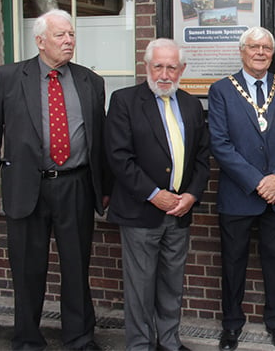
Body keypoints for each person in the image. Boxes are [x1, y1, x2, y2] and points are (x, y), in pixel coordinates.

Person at [0, 9, 110, 350]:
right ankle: (27, 339)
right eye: (61, 35)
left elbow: (99, 141)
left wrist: (104, 188)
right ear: (40, 41)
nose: (69, 40)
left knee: (76, 266)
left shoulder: (90, 81)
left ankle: (79, 338)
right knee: (27, 271)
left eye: (71, 34)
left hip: (76, 185)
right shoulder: (8, 77)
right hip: (26, 186)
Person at [105, 38, 210, 351]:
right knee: (139, 287)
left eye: (171, 67)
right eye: (158, 66)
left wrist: (191, 195)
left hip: (179, 212)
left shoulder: (192, 105)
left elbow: (203, 159)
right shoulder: (124, 101)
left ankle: (168, 342)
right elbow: (119, 157)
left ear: (182, 70)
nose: (165, 74)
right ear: (146, 67)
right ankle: (139, 345)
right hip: (141, 212)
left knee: (171, 285)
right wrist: (153, 194)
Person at [208, 26, 275, 351]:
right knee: (232, 263)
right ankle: (231, 325)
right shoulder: (221, 90)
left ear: (272, 52)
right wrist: (256, 182)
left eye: (266, 47)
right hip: (238, 196)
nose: (260, 52)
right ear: (242, 50)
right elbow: (220, 145)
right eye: (254, 47)